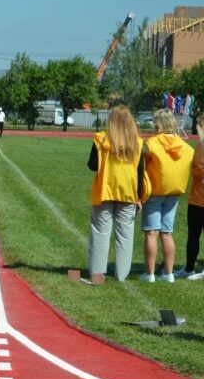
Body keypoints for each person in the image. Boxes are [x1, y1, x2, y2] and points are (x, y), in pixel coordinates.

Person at [87, 105, 146, 282]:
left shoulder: (101, 139)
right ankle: (122, 275)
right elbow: (140, 173)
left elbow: (92, 165)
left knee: (100, 232)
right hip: (128, 192)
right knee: (125, 235)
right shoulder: (137, 142)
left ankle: (97, 274)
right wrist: (139, 197)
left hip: (105, 190)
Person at [140, 109, 194, 282]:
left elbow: (142, 165)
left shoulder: (151, 143)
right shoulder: (185, 147)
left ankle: (150, 274)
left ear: (158, 125)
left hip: (155, 191)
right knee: (167, 233)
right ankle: (169, 274)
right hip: (174, 192)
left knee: (151, 233)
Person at [176, 114, 204, 280]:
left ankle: (191, 268)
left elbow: (199, 170)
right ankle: (189, 268)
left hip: (199, 197)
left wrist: (194, 169)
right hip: (196, 198)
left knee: (194, 234)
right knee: (193, 235)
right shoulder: (200, 145)